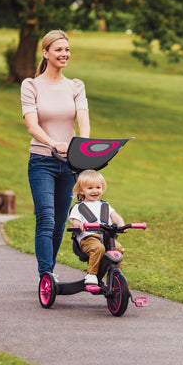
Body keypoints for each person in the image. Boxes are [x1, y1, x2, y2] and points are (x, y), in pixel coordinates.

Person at [21, 29, 90, 276]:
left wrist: (84, 148)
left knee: (60, 223)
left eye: (67, 49)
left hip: (69, 163)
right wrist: (53, 142)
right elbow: (31, 125)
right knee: (46, 219)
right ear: (46, 53)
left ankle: (48, 273)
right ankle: (46, 275)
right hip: (42, 161)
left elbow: (83, 118)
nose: (64, 54)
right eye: (59, 49)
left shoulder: (75, 86)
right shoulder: (31, 85)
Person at [69, 170, 125, 285]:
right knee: (98, 248)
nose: (95, 191)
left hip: (106, 238)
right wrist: (79, 225)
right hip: (88, 238)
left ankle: (115, 274)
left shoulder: (104, 205)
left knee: (118, 249)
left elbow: (116, 217)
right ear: (81, 191)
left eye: (98, 187)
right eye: (90, 188)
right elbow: (75, 222)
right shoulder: (79, 207)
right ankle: (91, 274)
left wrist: (121, 224)